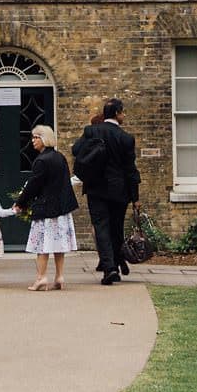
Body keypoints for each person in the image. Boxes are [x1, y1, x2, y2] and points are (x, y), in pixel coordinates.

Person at [74, 98, 139, 285]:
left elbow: (76, 150)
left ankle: (109, 268)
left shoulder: (91, 131)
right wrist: (135, 197)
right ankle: (116, 263)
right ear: (117, 114)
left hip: (96, 187)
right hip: (120, 190)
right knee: (116, 228)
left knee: (101, 227)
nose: (124, 115)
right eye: (123, 112)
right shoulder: (126, 138)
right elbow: (130, 170)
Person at [13, 123, 79, 290]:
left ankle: (41, 278)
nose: (33, 140)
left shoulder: (41, 161)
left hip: (46, 209)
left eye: (36, 137)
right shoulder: (60, 157)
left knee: (43, 245)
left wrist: (20, 203)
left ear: (44, 139)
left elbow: (33, 186)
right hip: (62, 208)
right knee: (59, 245)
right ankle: (59, 276)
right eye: (33, 137)